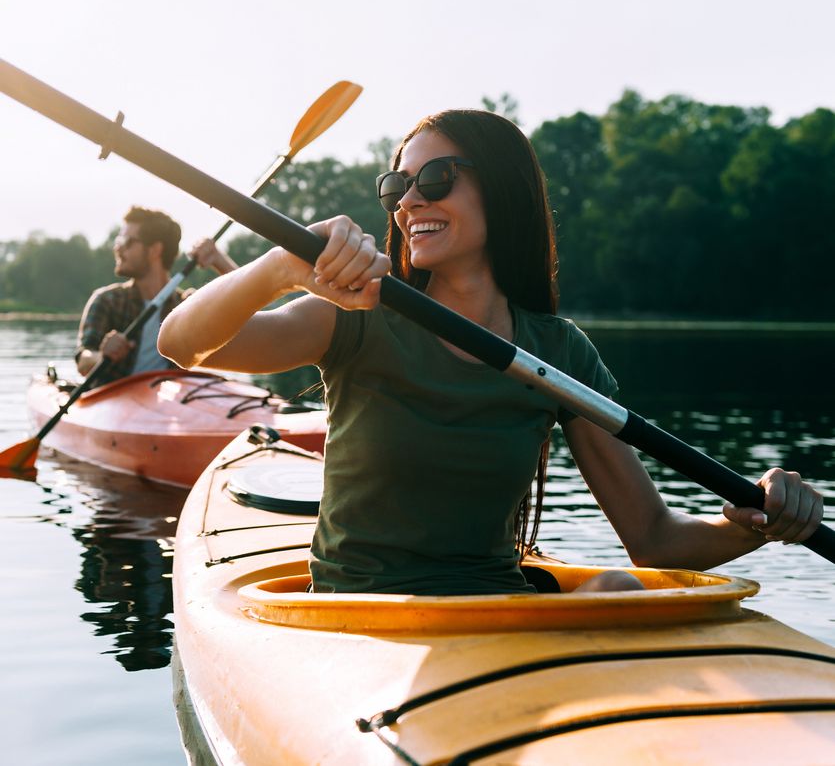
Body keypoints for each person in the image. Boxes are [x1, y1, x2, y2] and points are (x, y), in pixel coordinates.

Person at [158, 110, 824, 596]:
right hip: (358, 616)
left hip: (494, 609)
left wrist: (756, 520)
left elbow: (652, 537)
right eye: (396, 188)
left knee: (618, 585)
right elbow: (181, 343)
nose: (410, 200)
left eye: (437, 177)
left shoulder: (558, 353)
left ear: (501, 189)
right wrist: (280, 265)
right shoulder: (354, 315)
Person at [76, 206, 237, 385]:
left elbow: (248, 305)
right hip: (112, 401)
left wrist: (218, 259)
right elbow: (83, 361)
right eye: (118, 240)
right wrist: (102, 355)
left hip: (167, 405)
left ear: (154, 250)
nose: (118, 248)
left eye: (127, 242)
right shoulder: (106, 301)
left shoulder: (186, 306)